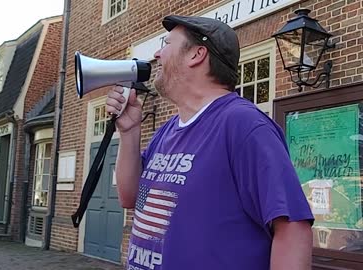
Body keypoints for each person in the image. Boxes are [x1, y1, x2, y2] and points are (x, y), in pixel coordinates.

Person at [106, 15, 314, 270]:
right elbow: (130, 197)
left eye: (167, 44)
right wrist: (129, 132)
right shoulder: (167, 131)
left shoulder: (244, 125)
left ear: (197, 54)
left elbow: (293, 228)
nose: (157, 54)